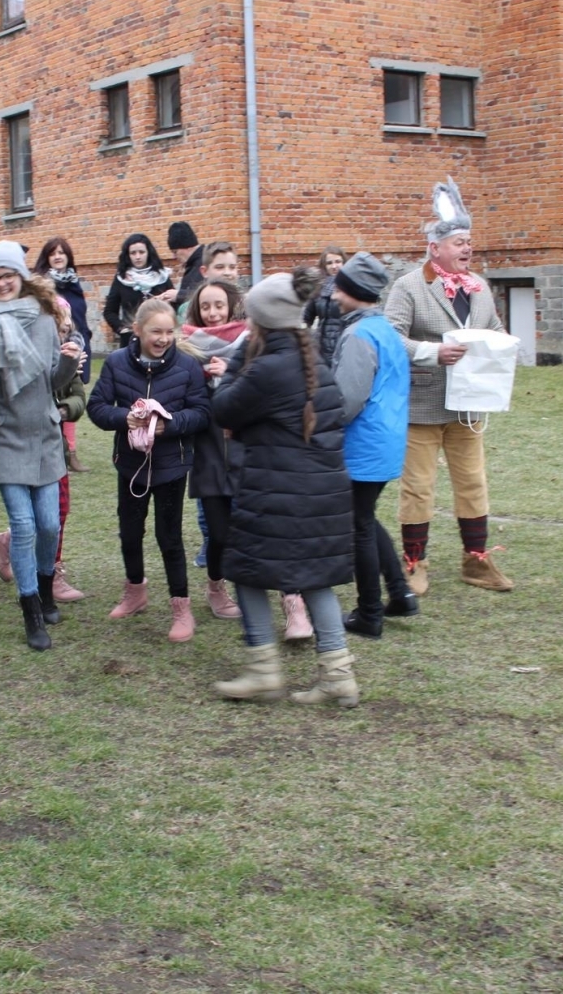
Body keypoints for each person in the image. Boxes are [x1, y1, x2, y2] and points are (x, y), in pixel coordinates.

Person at [210, 269, 361, 707]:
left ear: (262, 322)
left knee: (245, 572)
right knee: (315, 581)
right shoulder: (312, 357)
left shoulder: (269, 368)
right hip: (321, 494)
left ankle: (263, 672)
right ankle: (338, 676)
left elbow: (223, 409)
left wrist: (240, 356)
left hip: (277, 494)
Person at [384, 178, 512, 594]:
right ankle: (413, 563)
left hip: (468, 406)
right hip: (421, 405)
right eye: (459, 242)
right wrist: (431, 351)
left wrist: (501, 346)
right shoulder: (408, 287)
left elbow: (493, 329)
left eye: (469, 241)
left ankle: (476, 562)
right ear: (435, 248)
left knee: (473, 482)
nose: (467, 249)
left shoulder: (479, 289)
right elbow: (390, 339)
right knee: (418, 488)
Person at [0, 242, 82, 650]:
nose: (2, 283)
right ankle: (31, 611)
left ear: (21, 277)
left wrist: (67, 361)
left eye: (9, 275)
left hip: (43, 434)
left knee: (49, 523)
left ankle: (46, 592)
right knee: (24, 527)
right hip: (3, 435)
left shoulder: (45, 320)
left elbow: (53, 380)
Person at [89, 297, 211, 642]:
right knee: (129, 532)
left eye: (169, 332)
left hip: (171, 466)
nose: (163, 339)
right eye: (156, 331)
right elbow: (96, 407)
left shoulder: (186, 366)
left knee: (168, 537)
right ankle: (135, 591)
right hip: (131, 465)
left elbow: (202, 412)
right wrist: (123, 418)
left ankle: (181, 607)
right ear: (137, 330)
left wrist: (168, 425)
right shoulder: (115, 363)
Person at [328, 253, 418, 639]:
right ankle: (400, 594)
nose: (333, 295)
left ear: (352, 291)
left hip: (363, 444)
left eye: (339, 287)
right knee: (365, 517)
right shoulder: (383, 330)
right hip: (387, 440)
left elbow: (348, 400)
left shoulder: (359, 335)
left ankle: (369, 614)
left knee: (358, 525)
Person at [179, 278, 249, 623]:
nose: (212, 313)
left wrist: (231, 375)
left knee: (250, 526)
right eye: (205, 306)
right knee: (219, 532)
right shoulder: (186, 346)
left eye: (218, 305)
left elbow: (261, 389)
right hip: (208, 448)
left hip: (246, 447)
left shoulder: (250, 341)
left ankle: (256, 589)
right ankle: (216, 587)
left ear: (231, 306)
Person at [33, 237, 93, 472]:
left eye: (62, 253)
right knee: (53, 400)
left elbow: (81, 319)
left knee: (71, 399)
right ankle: (55, 452)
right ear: (46, 258)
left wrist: (81, 343)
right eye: (52, 253)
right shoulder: (41, 286)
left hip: (74, 343)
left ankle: (72, 452)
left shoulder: (74, 284)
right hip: (51, 348)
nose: (58, 257)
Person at [49, 298, 89, 603]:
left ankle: (53, 571)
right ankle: (47, 572)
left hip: (56, 448)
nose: (64, 326)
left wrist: (64, 410)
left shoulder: (69, 356)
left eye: (67, 322)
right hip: (25, 448)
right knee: (38, 516)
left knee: (59, 511)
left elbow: (78, 395)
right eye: (57, 320)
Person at [103, 233, 174, 349]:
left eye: (141, 252)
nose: (137, 257)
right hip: (131, 340)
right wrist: (122, 328)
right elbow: (109, 311)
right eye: (133, 253)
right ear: (128, 255)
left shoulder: (161, 277)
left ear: (148, 253)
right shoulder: (122, 279)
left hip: (159, 339)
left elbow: (174, 306)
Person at [303, 246, 349, 363]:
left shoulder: (351, 287)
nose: (334, 266)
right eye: (329, 263)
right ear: (324, 266)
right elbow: (306, 318)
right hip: (321, 347)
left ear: (344, 263)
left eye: (338, 262)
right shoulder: (318, 287)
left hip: (344, 345)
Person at [169, 221, 205, 303]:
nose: (174, 257)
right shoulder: (195, 263)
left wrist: (179, 295)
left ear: (187, 247)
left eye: (175, 252)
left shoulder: (205, 262)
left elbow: (204, 294)